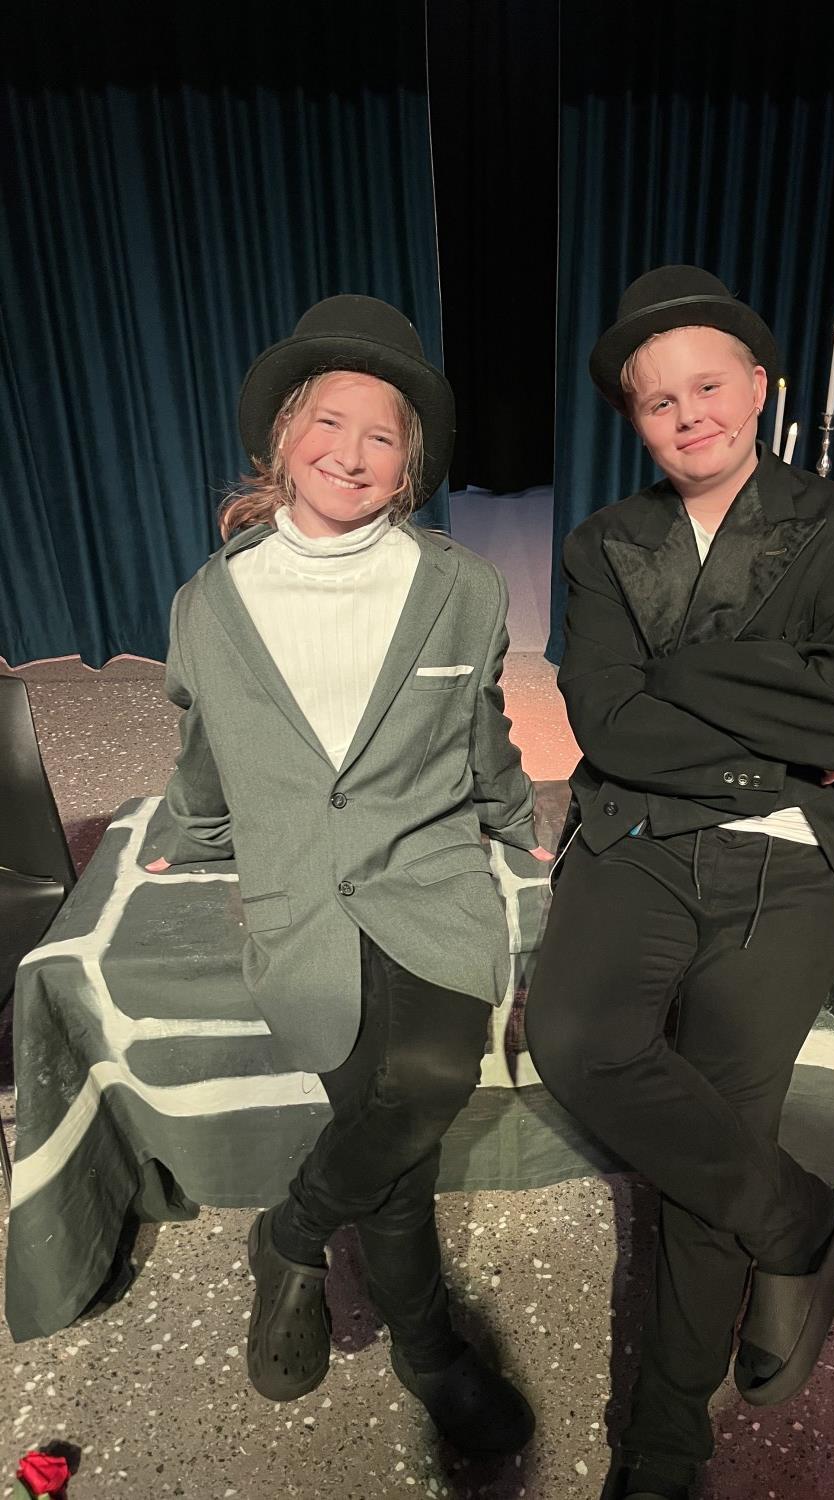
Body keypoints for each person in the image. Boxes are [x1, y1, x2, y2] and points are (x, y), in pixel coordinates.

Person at [524, 266, 834, 1500]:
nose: (688, 416)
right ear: (636, 420)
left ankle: (664, 1445)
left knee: (722, 1119)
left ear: (758, 386)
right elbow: (607, 722)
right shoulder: (604, 542)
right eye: (658, 403)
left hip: (786, 854)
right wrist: (774, 701)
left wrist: (682, 676)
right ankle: (804, 1223)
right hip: (635, 840)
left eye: (707, 387)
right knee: (574, 1037)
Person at [147, 294, 552, 1457]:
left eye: (383, 436)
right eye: (330, 422)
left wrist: (512, 816)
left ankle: (289, 1232)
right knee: (394, 1148)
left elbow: (479, 727)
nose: (352, 452)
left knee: (428, 1074)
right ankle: (431, 1352)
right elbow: (210, 746)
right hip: (300, 901)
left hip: (427, 876)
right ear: (284, 438)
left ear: (408, 465)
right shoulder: (210, 603)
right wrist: (189, 830)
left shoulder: (459, 588)